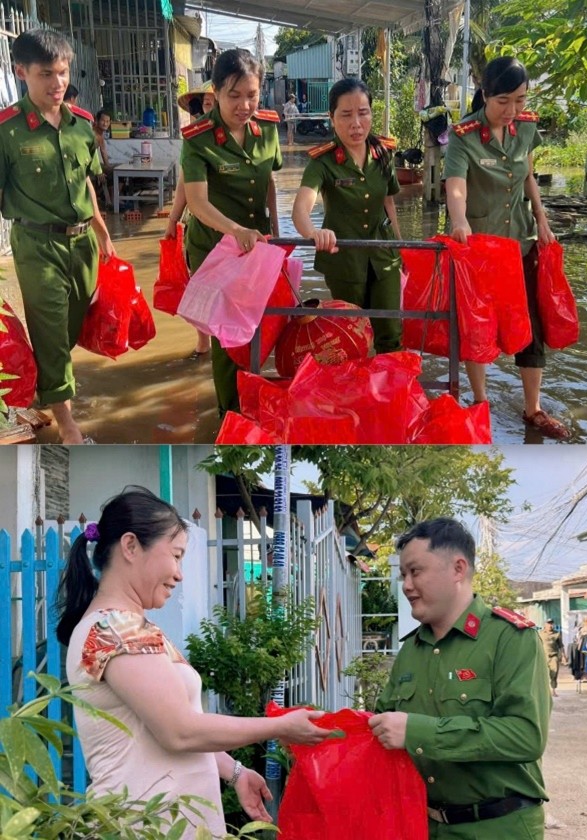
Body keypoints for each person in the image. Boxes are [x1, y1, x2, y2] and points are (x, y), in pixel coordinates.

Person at [56, 487, 330, 839]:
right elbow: (179, 731)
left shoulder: (131, 628)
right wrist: (280, 727)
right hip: (143, 829)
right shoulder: (113, 629)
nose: (180, 574)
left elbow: (172, 725)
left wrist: (234, 771)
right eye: (176, 555)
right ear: (130, 546)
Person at [369, 517, 549, 839]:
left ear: (458, 569)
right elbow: (381, 729)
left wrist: (418, 732)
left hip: (498, 827)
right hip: (425, 827)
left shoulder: (509, 639)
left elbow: (525, 735)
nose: (407, 585)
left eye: (416, 571)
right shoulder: (411, 650)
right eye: (403, 575)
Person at [0, 29, 116, 443]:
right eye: (46, 73)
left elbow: (86, 181)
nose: (57, 83)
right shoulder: (7, 130)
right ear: (21, 72)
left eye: (63, 72)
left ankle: (35, 389)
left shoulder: (81, 124)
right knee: (49, 326)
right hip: (36, 244)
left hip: (82, 243)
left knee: (69, 329)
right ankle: (68, 426)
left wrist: (102, 231)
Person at [445, 56, 569, 440]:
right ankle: (480, 402)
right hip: (479, 247)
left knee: (530, 326)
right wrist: (459, 219)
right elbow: (456, 185)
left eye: (520, 100)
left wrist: (543, 220)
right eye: (504, 102)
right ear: (484, 96)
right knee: (477, 326)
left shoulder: (526, 130)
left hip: (522, 240)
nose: (512, 110)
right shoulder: (463, 135)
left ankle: (533, 409)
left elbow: (529, 176)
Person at [179, 48, 283, 415]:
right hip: (214, 250)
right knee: (227, 340)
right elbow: (197, 202)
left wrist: (277, 226)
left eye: (252, 95)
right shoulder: (198, 139)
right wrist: (236, 229)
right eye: (234, 96)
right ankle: (230, 416)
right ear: (217, 92)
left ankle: (255, 403)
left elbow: (270, 180)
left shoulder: (268, 128)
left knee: (262, 330)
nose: (244, 105)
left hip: (258, 249)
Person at [293, 77, 403, 354]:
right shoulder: (323, 162)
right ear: (332, 118)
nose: (356, 123)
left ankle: (389, 394)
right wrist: (313, 233)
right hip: (343, 260)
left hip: (384, 257)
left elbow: (389, 204)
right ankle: (357, 394)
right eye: (346, 115)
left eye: (363, 113)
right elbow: (300, 209)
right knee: (351, 335)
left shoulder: (383, 154)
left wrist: (401, 250)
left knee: (390, 333)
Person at [167, 84, 218, 358]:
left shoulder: (250, 135)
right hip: (200, 226)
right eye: (207, 104)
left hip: (235, 228)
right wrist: (173, 221)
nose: (212, 109)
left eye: (216, 102)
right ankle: (203, 341)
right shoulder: (196, 139)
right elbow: (184, 184)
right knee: (199, 286)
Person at [541, 618, 563, 698]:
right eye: (548, 623)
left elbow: (561, 646)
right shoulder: (540, 634)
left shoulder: (557, 634)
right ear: (545, 625)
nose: (550, 625)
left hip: (554, 656)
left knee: (554, 673)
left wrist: (563, 656)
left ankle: (553, 690)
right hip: (543, 657)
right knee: (544, 674)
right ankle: (545, 691)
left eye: (551, 623)